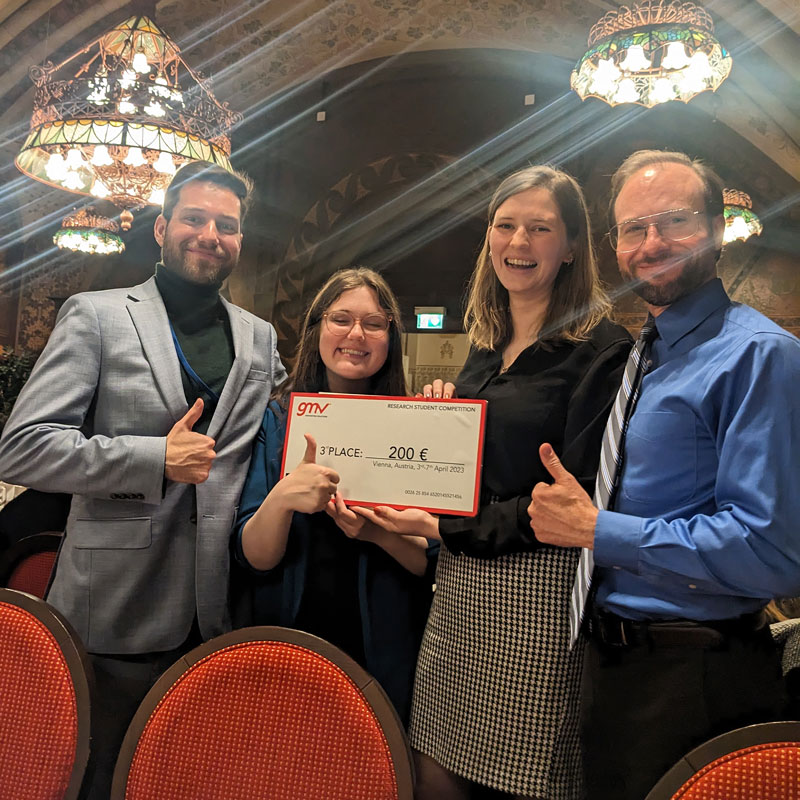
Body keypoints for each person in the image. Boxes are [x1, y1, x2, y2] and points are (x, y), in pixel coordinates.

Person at [0, 160, 286, 797]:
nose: (210, 233)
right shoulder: (96, 315)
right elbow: (21, 449)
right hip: (111, 607)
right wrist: (154, 458)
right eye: (194, 218)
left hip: (216, 609)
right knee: (94, 782)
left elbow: (294, 423)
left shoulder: (260, 339)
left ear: (240, 240)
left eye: (227, 225)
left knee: (188, 781)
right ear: (162, 228)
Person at [527, 149, 800, 800]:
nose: (652, 244)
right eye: (632, 229)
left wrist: (600, 531)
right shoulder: (645, 356)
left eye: (674, 221)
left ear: (715, 227)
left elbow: (772, 553)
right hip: (615, 665)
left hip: (695, 675)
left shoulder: (760, 356)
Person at [360, 166, 632, 799]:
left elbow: (576, 498)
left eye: (540, 228)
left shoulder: (601, 349)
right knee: (433, 767)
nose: (520, 242)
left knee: (523, 782)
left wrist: (446, 523)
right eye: (505, 225)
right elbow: (477, 468)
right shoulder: (486, 345)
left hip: (536, 597)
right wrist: (439, 425)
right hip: (459, 588)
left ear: (570, 247)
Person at [234, 267, 434, 722]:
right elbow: (254, 556)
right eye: (340, 319)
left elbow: (429, 559)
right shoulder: (279, 420)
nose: (356, 334)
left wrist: (377, 534)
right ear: (318, 329)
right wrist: (282, 498)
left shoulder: (416, 421)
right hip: (289, 637)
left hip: (383, 645)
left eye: (374, 324)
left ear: (391, 338)